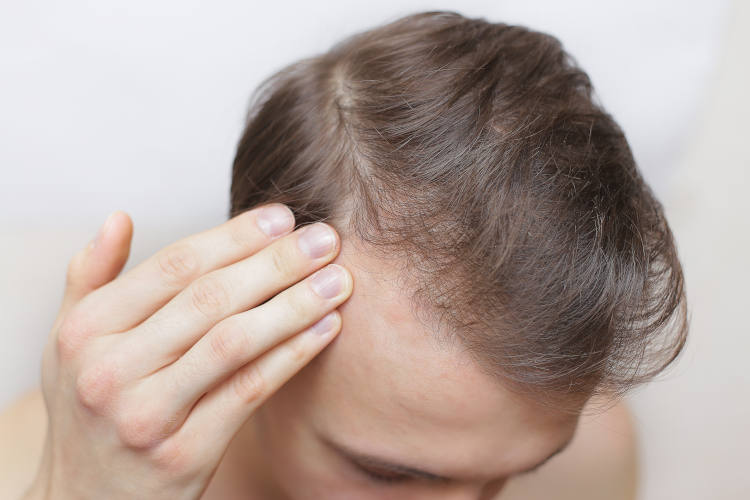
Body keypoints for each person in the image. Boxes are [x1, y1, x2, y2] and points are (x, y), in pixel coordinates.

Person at [0, 10, 686, 500]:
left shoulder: (591, 459)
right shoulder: (51, 473)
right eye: (389, 474)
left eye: (520, 471)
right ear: (243, 323)